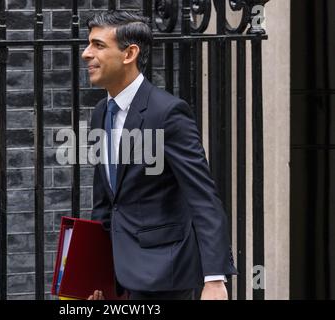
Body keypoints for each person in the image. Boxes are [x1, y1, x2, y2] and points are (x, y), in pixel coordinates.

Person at [81, 10, 237, 300]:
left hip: (164, 274)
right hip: (119, 276)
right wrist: (97, 273)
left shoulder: (167, 112)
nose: (86, 53)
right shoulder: (101, 113)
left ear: (130, 54)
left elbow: (202, 196)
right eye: (89, 44)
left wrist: (214, 279)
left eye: (98, 45)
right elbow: (105, 200)